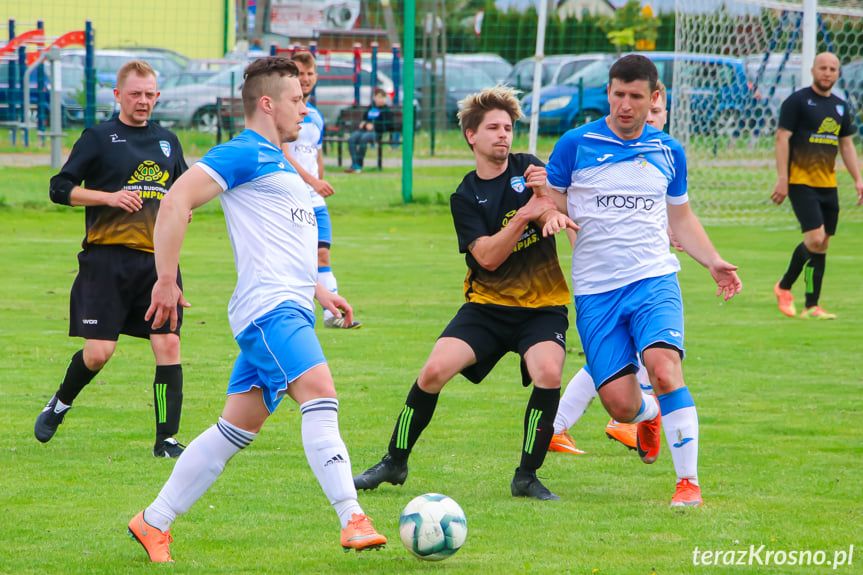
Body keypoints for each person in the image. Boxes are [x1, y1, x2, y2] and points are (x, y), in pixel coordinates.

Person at [126, 57, 386, 563]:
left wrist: (319, 289)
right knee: (321, 395)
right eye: (297, 100)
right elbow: (176, 201)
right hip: (269, 311)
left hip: (289, 304)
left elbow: (282, 240)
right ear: (267, 103)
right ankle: (352, 516)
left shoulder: (279, 161)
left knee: (233, 431)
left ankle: (152, 520)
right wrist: (163, 280)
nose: (304, 108)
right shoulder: (243, 152)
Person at [353, 85, 575, 501]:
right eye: (493, 127)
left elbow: (549, 208)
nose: (504, 135)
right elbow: (487, 258)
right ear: (472, 135)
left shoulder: (528, 167)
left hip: (543, 307)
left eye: (508, 127)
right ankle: (394, 462)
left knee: (548, 372)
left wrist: (546, 205)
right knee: (434, 371)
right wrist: (524, 217)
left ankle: (526, 476)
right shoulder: (464, 195)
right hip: (487, 307)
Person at [542, 55, 742, 507]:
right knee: (621, 405)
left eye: (636, 97)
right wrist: (552, 215)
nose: (626, 105)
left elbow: (682, 217)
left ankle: (687, 484)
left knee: (665, 368)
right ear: (607, 93)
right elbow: (549, 203)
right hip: (595, 291)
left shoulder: (668, 150)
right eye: (618, 95)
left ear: (654, 98)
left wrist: (711, 261)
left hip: (654, 279)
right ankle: (649, 414)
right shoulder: (575, 144)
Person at [34, 60, 188, 458]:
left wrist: (184, 209)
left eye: (149, 94)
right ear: (117, 95)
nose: (143, 101)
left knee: (168, 344)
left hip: (158, 264)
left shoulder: (168, 140)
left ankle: (165, 440)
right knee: (100, 351)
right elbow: (59, 188)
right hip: (106, 261)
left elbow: (183, 192)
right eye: (135, 93)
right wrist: (108, 197)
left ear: (157, 95)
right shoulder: (99, 138)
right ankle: (61, 403)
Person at [550, 80, 670, 456]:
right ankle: (596, 422)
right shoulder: (593, 148)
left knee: (639, 358)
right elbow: (581, 213)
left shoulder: (662, 156)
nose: (645, 117)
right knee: (622, 359)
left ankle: (567, 424)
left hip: (647, 274)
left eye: (655, 112)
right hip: (603, 282)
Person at [771, 51, 863, 320]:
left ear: (838, 73)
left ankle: (812, 306)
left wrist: (858, 179)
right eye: (822, 67)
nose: (827, 72)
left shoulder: (841, 106)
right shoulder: (798, 101)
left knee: (821, 245)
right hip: (800, 181)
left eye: (833, 68)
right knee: (814, 238)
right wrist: (782, 178)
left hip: (828, 184)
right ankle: (784, 286)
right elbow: (781, 138)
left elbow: (846, 144)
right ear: (812, 70)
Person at [282, 51, 360, 329]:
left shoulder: (314, 115)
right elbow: (285, 155)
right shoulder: (284, 113)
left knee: (322, 254)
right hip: (293, 197)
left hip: (315, 200)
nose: (305, 79)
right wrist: (311, 183)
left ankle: (333, 315)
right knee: (295, 257)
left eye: (309, 74)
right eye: (299, 73)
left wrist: (319, 181)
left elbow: (316, 155)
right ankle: (294, 311)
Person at [345, 87, 393, 173]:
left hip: (376, 133)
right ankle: (354, 164)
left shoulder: (386, 110)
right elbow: (365, 118)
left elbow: (389, 126)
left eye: (382, 97)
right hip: (364, 130)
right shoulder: (371, 107)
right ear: (374, 98)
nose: (380, 99)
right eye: (378, 97)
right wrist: (364, 123)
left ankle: (359, 165)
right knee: (352, 139)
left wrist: (374, 126)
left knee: (364, 138)